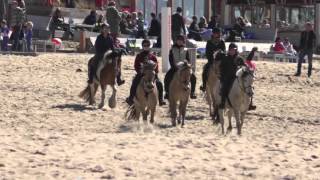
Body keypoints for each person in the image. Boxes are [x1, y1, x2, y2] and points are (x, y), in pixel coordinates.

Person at [126, 39, 166, 106]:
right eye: (144, 45)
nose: (146, 47)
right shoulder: (139, 56)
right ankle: (131, 98)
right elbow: (136, 66)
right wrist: (140, 72)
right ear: (142, 46)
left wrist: (155, 73)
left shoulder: (153, 56)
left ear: (149, 46)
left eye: (147, 45)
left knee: (160, 84)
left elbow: (156, 66)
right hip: (142, 74)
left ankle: (161, 99)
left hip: (152, 75)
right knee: (134, 82)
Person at [164, 35, 197, 99]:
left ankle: (192, 92)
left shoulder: (186, 50)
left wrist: (186, 66)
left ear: (183, 41)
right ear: (176, 41)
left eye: (181, 40)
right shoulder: (172, 49)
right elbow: (170, 59)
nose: (179, 42)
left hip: (184, 68)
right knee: (167, 77)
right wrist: (174, 67)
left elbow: (188, 59)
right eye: (178, 40)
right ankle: (167, 92)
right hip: (175, 68)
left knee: (193, 77)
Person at [219, 43, 245, 109]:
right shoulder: (225, 58)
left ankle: (249, 103)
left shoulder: (239, 58)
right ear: (229, 50)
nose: (233, 51)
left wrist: (245, 68)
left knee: (248, 87)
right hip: (228, 77)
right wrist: (223, 76)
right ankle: (223, 102)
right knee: (224, 88)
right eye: (231, 50)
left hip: (237, 77)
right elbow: (221, 68)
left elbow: (244, 66)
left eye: (234, 50)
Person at [200, 28, 226, 92]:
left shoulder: (222, 42)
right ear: (213, 34)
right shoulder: (209, 42)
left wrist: (220, 57)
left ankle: (226, 84)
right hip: (211, 60)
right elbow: (207, 52)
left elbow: (224, 52)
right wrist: (211, 60)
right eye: (215, 33)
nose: (216, 34)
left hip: (220, 61)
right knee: (205, 69)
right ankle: (204, 85)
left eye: (217, 33)